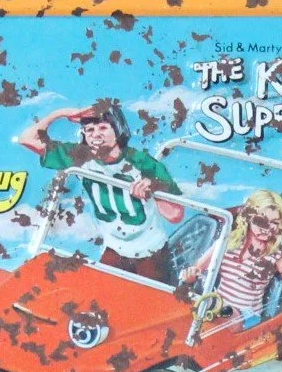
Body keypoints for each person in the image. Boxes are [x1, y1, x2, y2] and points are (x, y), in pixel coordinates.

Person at [18, 101, 183, 283]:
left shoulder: (142, 162)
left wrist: (153, 188)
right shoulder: (80, 157)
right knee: (98, 294)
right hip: (114, 249)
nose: (96, 134)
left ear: (117, 130)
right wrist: (62, 113)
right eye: (90, 130)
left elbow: (175, 215)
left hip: (151, 252)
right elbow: (26, 139)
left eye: (103, 128)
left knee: (152, 297)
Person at [182, 189, 282, 342]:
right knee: (201, 309)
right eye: (261, 221)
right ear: (249, 218)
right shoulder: (228, 242)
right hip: (216, 304)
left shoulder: (277, 254)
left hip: (246, 316)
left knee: (220, 311)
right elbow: (197, 269)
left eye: (275, 223)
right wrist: (190, 276)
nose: (267, 228)